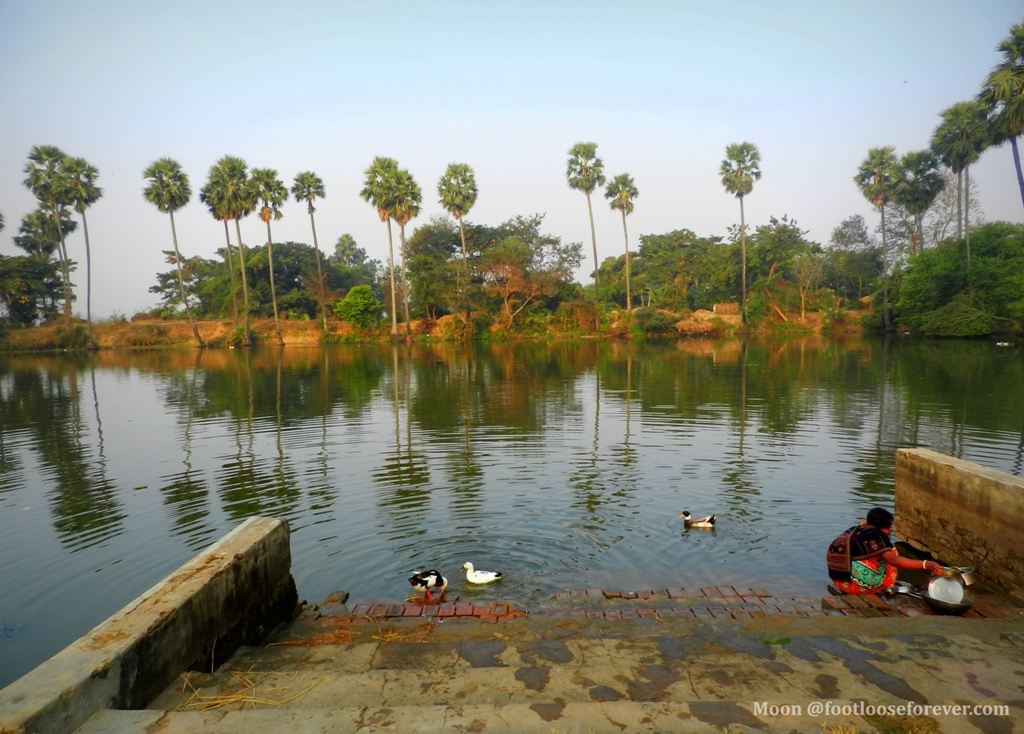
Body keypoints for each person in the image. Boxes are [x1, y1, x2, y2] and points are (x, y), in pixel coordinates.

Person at [827, 508, 944, 595]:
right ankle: (881, 587)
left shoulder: (859, 528)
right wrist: (925, 564)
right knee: (891, 551)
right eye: (888, 527)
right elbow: (893, 560)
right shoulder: (877, 536)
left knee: (880, 552)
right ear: (878, 527)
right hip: (852, 585)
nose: (890, 530)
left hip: (837, 578)